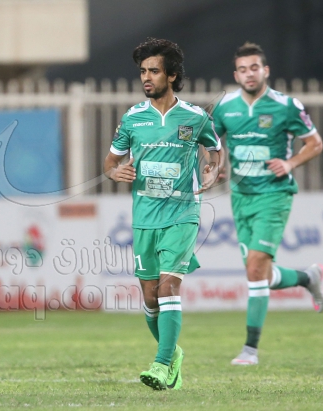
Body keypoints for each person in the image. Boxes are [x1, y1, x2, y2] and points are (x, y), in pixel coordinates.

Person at [104, 38, 221, 390]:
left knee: (169, 286)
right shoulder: (132, 118)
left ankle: (160, 364)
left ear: (171, 75)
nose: (146, 77)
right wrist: (116, 172)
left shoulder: (195, 117)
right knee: (150, 296)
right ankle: (173, 354)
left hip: (183, 213)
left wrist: (212, 169)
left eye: (153, 71)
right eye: (143, 71)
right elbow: (110, 163)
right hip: (144, 217)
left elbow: (214, 150)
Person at [212, 42, 323, 366]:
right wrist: (214, 165)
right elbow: (211, 143)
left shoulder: (286, 106)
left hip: (274, 195)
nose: (249, 74)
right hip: (241, 197)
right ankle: (308, 278)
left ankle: (250, 350)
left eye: (254, 68)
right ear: (236, 75)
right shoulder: (225, 108)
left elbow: (315, 143)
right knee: (259, 272)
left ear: (266, 71)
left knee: (254, 269)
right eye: (243, 69)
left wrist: (290, 163)